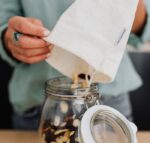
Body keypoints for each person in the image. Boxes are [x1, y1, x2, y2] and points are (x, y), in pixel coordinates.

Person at [0, 0, 147, 130]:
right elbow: (4, 23)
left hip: (108, 102)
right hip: (40, 104)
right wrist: (11, 39)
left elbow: (145, 25)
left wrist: (127, 5)